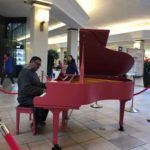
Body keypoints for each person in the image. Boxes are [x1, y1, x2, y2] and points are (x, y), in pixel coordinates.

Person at [17, 56, 48, 127]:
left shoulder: (33, 72)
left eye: (39, 65)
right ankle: (36, 122)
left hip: (31, 96)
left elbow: (37, 84)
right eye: (37, 64)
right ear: (31, 62)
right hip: (24, 98)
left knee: (46, 101)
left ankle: (40, 120)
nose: (38, 66)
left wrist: (46, 85)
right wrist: (41, 90)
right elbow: (26, 88)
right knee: (41, 102)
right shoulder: (25, 73)